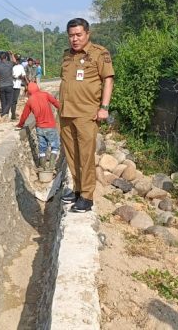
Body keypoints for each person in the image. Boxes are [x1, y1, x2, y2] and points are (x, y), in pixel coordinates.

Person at [58, 18, 114, 213]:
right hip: (66, 113)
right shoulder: (66, 56)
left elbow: (108, 80)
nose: (74, 39)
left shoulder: (99, 53)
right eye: (71, 35)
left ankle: (87, 197)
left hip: (86, 114)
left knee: (86, 155)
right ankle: (77, 189)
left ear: (87, 34)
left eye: (78, 35)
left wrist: (104, 107)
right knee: (72, 155)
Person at [16, 82, 60, 170]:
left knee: (42, 148)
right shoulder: (45, 95)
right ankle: (51, 166)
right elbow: (56, 103)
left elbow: (25, 115)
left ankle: (42, 167)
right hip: (50, 126)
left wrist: (20, 124)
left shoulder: (30, 100)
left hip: (40, 128)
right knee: (55, 146)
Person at [0, 52, 14, 118]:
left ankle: (4, 114)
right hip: (9, 85)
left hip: (1, 86)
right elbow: (14, 61)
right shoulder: (10, 64)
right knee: (10, 101)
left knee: (3, 101)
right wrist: (12, 54)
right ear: (6, 57)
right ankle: (4, 113)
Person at [11, 54, 26, 120]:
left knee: (14, 101)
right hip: (11, 85)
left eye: (18, 60)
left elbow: (23, 75)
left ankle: (13, 114)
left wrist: (20, 77)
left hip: (17, 86)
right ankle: (10, 113)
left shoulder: (21, 67)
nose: (17, 61)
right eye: (16, 60)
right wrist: (13, 76)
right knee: (10, 100)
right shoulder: (11, 66)